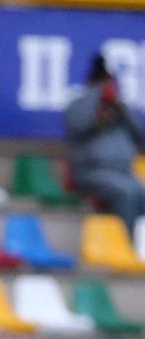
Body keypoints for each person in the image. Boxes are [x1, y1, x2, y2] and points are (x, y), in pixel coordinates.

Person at [66, 53, 145, 234]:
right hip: (91, 173)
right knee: (126, 193)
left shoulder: (119, 108)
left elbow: (140, 132)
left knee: (140, 191)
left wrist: (119, 107)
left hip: (124, 173)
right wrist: (97, 99)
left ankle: (143, 247)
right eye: (102, 84)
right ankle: (126, 244)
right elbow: (79, 126)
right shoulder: (79, 106)